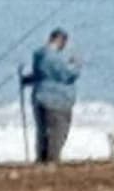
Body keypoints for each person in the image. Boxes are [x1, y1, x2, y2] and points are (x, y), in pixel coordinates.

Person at [23, 29, 78, 164]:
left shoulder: (39, 55)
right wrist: (75, 65)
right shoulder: (54, 58)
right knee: (58, 132)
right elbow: (67, 75)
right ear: (60, 41)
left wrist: (25, 79)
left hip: (39, 97)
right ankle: (51, 161)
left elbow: (39, 75)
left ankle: (41, 159)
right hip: (58, 100)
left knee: (42, 132)